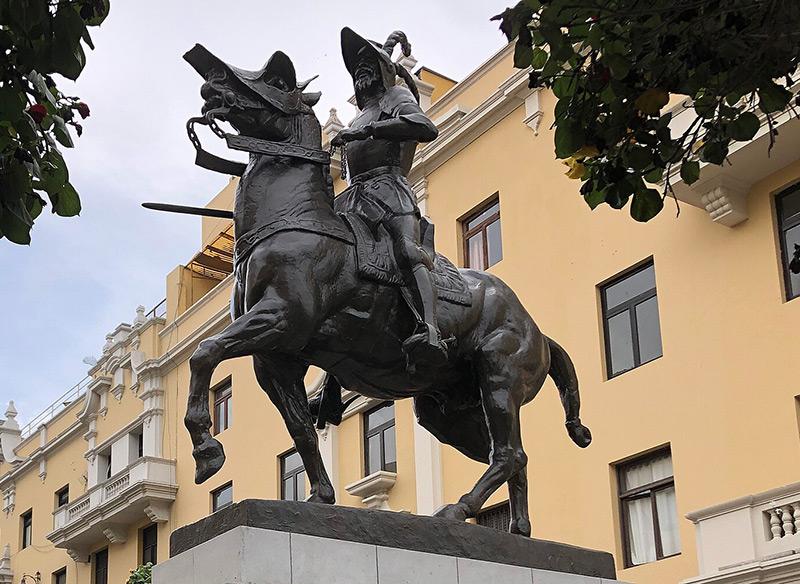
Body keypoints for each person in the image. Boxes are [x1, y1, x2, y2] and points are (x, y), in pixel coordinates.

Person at [332, 27, 446, 370]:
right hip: (354, 198)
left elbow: (426, 128)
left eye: (368, 62)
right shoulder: (357, 115)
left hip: (389, 189)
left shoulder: (395, 99)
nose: (360, 69)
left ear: (383, 69)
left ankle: (430, 331)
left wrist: (370, 130)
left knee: (406, 250)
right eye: (357, 65)